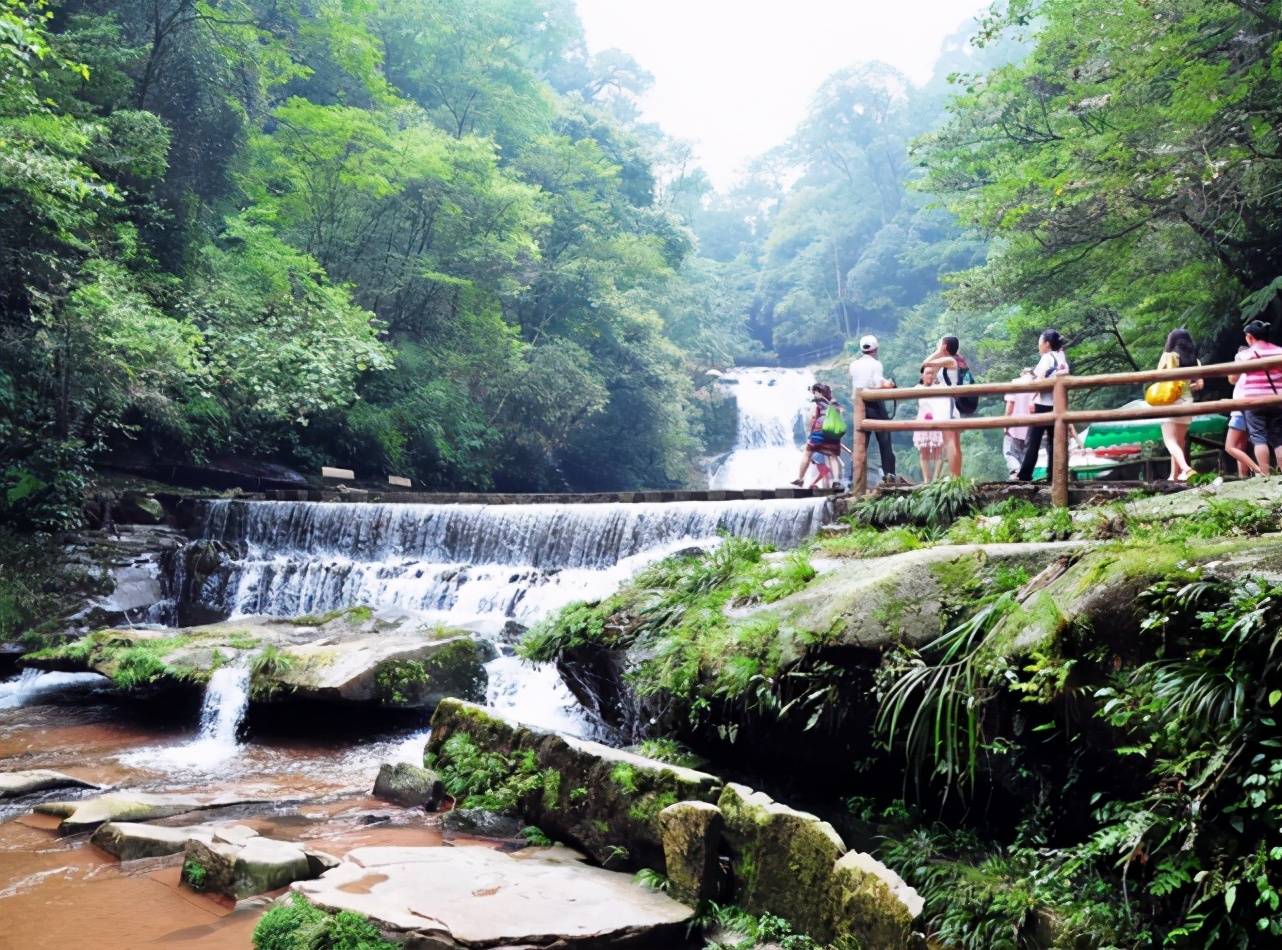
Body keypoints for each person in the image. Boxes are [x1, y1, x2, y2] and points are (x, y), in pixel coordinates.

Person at [1017, 330, 1070, 482]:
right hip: (1058, 405)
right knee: (1054, 441)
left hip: (1043, 404)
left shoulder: (1047, 357)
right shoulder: (1061, 357)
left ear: (1047, 344)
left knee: (1033, 441)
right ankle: (1054, 475)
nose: (1039, 346)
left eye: (1040, 343)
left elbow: (1038, 381)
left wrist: (1031, 392)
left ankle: (1025, 475)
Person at [849, 335, 900, 485]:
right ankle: (889, 476)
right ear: (876, 349)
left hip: (859, 405)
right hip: (875, 404)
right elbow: (877, 383)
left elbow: (860, 383)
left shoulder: (854, 364)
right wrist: (889, 384)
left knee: (860, 445)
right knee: (884, 442)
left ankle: (855, 480)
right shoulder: (876, 364)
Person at [1233, 320, 1282, 474]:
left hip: (1254, 400)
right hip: (1277, 398)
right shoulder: (1280, 351)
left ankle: (1266, 475)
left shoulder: (1243, 355)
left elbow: (1233, 379)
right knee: (1279, 438)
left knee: (1258, 436)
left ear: (1249, 337)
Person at [1156, 328, 1205, 481]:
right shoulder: (1195, 360)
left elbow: (1159, 376)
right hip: (1187, 401)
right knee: (1179, 442)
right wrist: (1186, 386)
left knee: (1169, 440)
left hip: (1170, 401)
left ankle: (1186, 468)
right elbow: (1200, 384)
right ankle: (1174, 476)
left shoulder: (1169, 356)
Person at [922, 336, 966, 477]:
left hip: (949, 405)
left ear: (945, 346)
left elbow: (926, 365)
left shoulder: (949, 360)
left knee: (950, 442)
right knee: (955, 443)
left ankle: (955, 477)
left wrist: (938, 351)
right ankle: (957, 477)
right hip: (954, 404)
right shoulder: (957, 360)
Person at [792, 383, 843, 486]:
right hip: (833, 430)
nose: (814, 394)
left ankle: (800, 479)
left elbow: (813, 417)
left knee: (808, 452)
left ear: (820, 392)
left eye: (815, 392)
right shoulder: (834, 403)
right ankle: (836, 481)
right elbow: (840, 414)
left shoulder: (817, 403)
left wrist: (811, 432)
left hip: (820, 428)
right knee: (832, 456)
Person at [1225, 346, 1263, 477]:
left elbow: (1231, 378)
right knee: (1240, 446)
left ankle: (1258, 469)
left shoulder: (1241, 358)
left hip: (1240, 410)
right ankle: (1244, 477)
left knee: (1229, 446)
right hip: (1252, 408)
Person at [914, 365, 952, 482]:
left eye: (932, 373)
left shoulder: (939, 388)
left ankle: (936, 478)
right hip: (922, 422)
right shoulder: (917, 388)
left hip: (937, 421)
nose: (930, 375)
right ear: (922, 375)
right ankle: (926, 480)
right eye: (928, 373)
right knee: (923, 451)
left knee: (938, 451)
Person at [1003, 368, 1036, 478]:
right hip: (1031, 425)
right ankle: (1024, 475)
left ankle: (1015, 471)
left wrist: (1005, 424)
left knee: (1009, 451)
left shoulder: (1015, 383)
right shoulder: (1037, 384)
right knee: (1025, 453)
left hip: (1015, 424)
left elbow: (1010, 406)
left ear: (1022, 374)